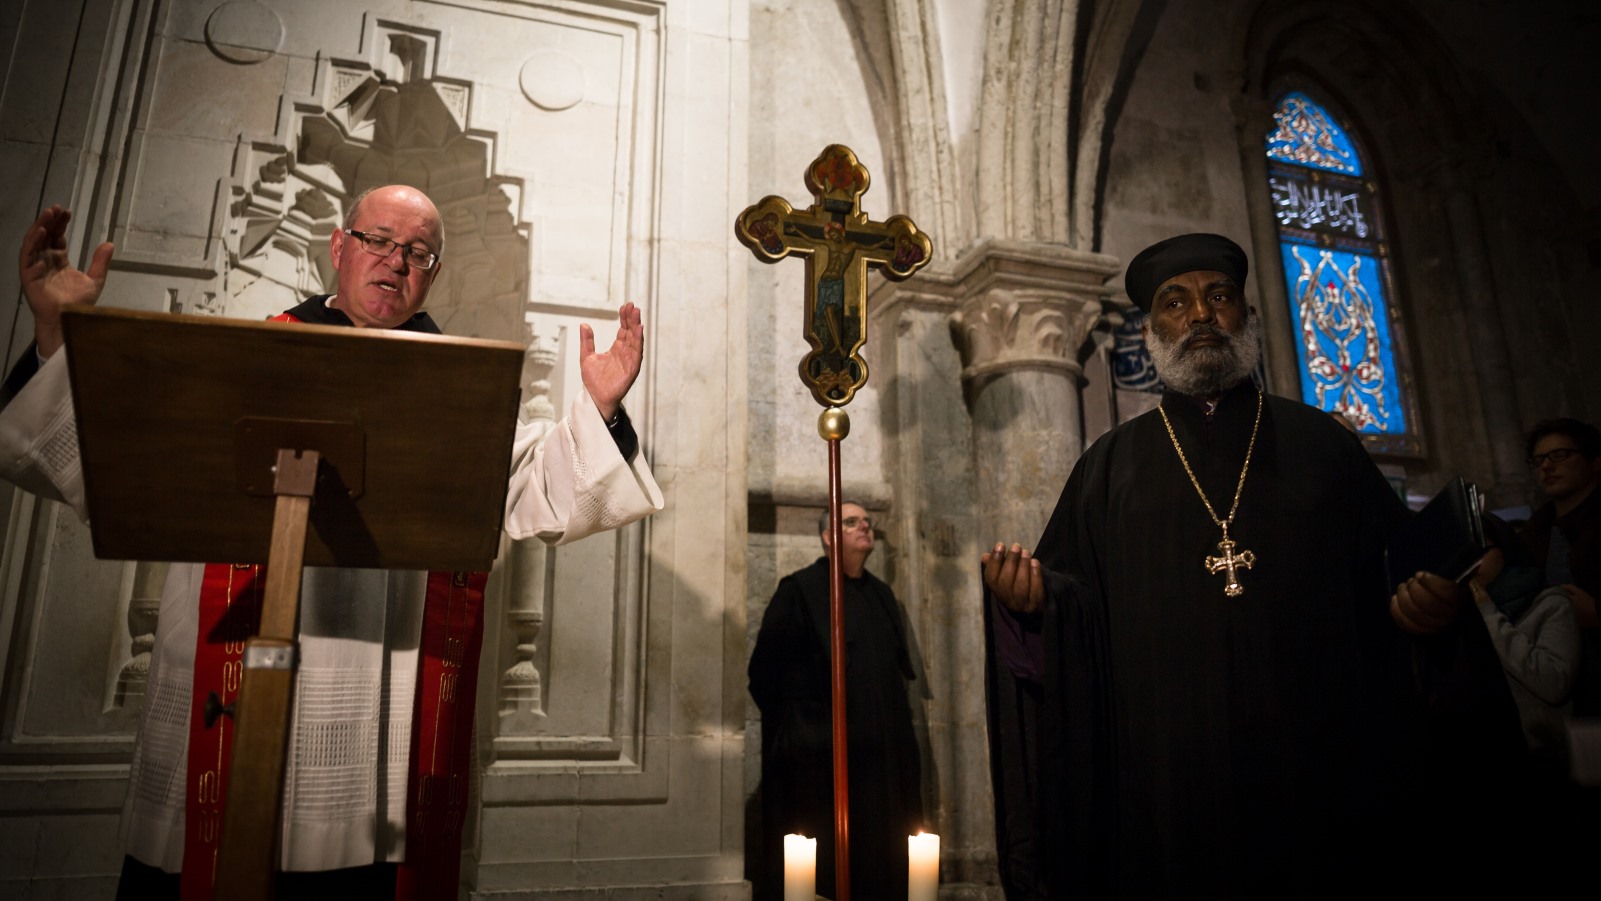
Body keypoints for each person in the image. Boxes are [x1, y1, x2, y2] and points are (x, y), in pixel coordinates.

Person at [0, 187, 665, 899]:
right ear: (338, 247)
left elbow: (545, 481)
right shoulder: (236, 359)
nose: (396, 262)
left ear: (432, 274)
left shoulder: (457, 390)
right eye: (379, 240)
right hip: (237, 681)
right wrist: (57, 338)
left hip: (377, 725)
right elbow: (118, 453)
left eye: (417, 252)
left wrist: (597, 409)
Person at [980, 233, 1521, 897]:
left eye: (1218, 297)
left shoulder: (1323, 446)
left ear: (1247, 318)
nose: (1199, 314)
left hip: (1322, 767)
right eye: (1175, 303)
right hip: (1169, 784)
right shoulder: (1107, 467)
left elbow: (1400, 578)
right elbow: (1072, 603)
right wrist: (1032, 604)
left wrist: (1429, 604)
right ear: (1151, 333)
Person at [748, 502, 924, 901]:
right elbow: (764, 676)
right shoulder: (799, 592)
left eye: (867, 521)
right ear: (829, 537)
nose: (865, 526)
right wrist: (809, 731)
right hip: (823, 764)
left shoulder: (882, 596)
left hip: (881, 765)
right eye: (851, 521)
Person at [1519, 418, 1601, 716]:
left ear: (1595, 462)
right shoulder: (1534, 532)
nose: (1546, 467)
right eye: (1539, 460)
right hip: (1559, 688)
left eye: (1560, 455)